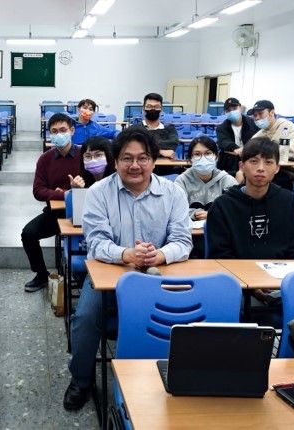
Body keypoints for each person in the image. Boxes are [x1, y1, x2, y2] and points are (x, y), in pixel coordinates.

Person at [63, 126, 192, 410]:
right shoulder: (99, 192)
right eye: (127, 158)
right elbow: (96, 242)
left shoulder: (173, 193)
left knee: (190, 313)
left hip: (159, 272)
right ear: (116, 161)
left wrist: (160, 255)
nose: (135, 165)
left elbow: (183, 241)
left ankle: (181, 374)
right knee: (85, 318)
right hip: (110, 271)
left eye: (143, 158)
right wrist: (126, 255)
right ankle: (81, 380)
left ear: (154, 161)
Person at [206, 136, 294, 260]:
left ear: (277, 168)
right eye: (254, 161)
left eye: (268, 162)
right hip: (236, 271)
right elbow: (219, 255)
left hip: (281, 270)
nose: (261, 168)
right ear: (242, 166)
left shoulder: (289, 202)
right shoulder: (222, 205)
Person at [22, 112, 81, 293]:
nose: (59, 134)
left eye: (63, 130)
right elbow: (38, 191)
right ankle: (41, 275)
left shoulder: (83, 155)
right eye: (54, 131)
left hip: (81, 213)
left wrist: (73, 192)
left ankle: (82, 275)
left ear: (72, 130)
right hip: (55, 214)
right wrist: (64, 194)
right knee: (28, 234)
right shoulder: (45, 159)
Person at [248, 99, 294, 189]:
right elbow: (249, 148)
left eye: (260, 114)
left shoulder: (286, 126)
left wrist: (265, 154)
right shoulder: (262, 132)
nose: (257, 118)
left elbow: (292, 152)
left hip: (289, 170)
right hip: (268, 168)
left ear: (271, 113)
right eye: (255, 115)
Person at [215, 97, 258, 175]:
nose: (232, 112)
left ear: (240, 108)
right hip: (229, 162)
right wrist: (236, 148)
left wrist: (245, 150)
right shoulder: (221, 128)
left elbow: (258, 139)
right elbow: (223, 142)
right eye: (228, 110)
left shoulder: (253, 123)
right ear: (225, 113)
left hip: (251, 158)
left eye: (234, 108)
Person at [140, 92, 179, 159]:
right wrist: (160, 151)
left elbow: (172, 145)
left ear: (161, 109)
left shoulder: (170, 129)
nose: (153, 109)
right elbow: (136, 149)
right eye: (149, 106)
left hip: (166, 164)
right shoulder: (135, 129)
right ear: (143, 108)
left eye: (156, 107)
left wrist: (146, 148)